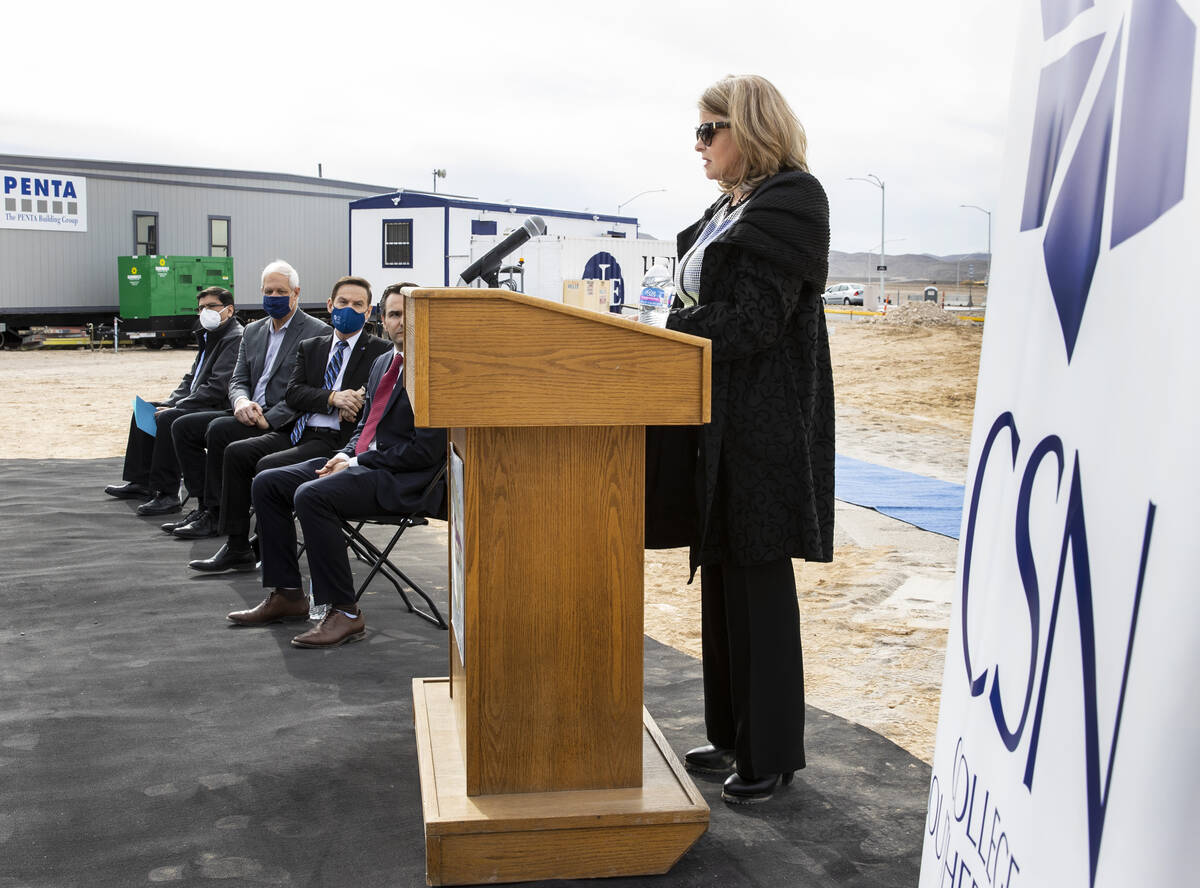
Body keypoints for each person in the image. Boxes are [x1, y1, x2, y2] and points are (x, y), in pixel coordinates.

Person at [662, 75, 834, 804]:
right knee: (726, 576)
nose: (697, 145)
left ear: (750, 130)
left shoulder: (793, 199)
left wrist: (667, 336)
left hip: (763, 422)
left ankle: (772, 751)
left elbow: (757, 321)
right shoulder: (726, 207)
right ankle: (733, 732)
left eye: (709, 130)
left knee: (758, 580)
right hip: (718, 418)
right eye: (697, 132)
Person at [228, 283, 445, 649]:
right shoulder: (383, 363)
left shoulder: (435, 369)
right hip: (364, 464)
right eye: (394, 314)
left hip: (404, 480)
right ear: (382, 319)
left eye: (410, 314)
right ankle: (287, 594)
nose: (402, 322)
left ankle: (344, 612)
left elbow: (425, 451)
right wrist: (344, 455)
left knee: (312, 496)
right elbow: (364, 427)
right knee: (268, 482)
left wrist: (357, 460)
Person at [185, 276, 392, 571]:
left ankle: (268, 545)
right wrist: (333, 398)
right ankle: (237, 545)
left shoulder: (379, 352)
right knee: (236, 453)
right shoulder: (312, 347)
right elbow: (294, 393)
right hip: (298, 430)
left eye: (358, 304)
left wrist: (357, 400)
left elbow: (373, 399)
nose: (349, 309)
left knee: (268, 466)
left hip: (334, 440)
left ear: (369, 311)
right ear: (330, 305)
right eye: (343, 302)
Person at [165, 260, 329, 532]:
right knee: (182, 426)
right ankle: (205, 505)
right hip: (247, 410)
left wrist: (270, 419)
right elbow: (238, 378)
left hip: (282, 422)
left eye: (280, 291)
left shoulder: (316, 332)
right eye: (268, 291)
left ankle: (218, 516)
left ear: (296, 293)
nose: (273, 297)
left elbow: (307, 389)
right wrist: (240, 401)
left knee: (218, 430)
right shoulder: (253, 331)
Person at [104, 286, 243, 514]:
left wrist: (177, 407)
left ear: (229, 310)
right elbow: (191, 378)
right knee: (146, 409)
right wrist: (171, 401)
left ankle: (168, 494)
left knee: (168, 418)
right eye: (200, 308)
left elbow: (218, 388)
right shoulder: (211, 335)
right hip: (198, 401)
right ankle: (141, 482)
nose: (204, 312)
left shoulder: (234, 338)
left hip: (218, 406)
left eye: (210, 306)